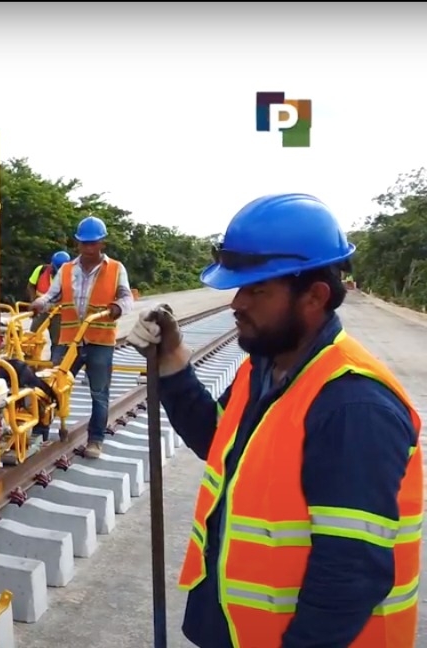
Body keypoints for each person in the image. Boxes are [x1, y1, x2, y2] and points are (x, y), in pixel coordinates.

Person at [125, 193, 421, 648]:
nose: (237, 303)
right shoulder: (265, 366)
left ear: (315, 296)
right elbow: (219, 442)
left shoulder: (353, 405)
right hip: (237, 630)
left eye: (257, 289)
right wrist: (172, 363)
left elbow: (348, 576)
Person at [30, 216, 133, 459]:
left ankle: (95, 440)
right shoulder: (66, 269)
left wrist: (118, 307)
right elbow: (52, 296)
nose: (88, 248)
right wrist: (39, 302)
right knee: (49, 387)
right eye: (83, 243)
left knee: (99, 393)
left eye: (93, 243)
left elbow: (127, 297)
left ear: (102, 244)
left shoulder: (116, 269)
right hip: (69, 340)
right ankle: (39, 433)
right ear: (77, 244)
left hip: (100, 340)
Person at [28, 250, 71, 333]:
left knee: (58, 342)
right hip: (41, 310)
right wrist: (34, 301)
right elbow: (31, 286)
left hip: (58, 313)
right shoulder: (41, 270)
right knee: (32, 336)